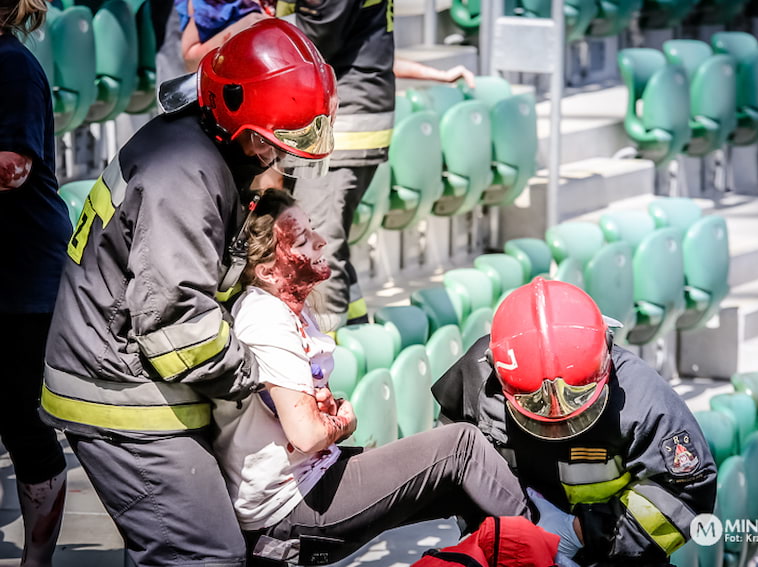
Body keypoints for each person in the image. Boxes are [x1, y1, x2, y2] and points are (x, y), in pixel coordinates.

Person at [40, 20, 337, 567]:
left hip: (129, 373)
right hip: (119, 392)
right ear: (230, 112)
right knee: (204, 554)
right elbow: (181, 327)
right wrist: (269, 380)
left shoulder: (197, 146)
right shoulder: (187, 172)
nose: (274, 158)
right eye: (267, 142)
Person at [213, 188, 531, 566]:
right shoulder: (264, 316)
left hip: (315, 477)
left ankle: (515, 553)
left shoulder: (289, 308)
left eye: (312, 230)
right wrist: (343, 422)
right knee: (461, 446)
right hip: (290, 509)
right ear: (266, 270)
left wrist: (324, 416)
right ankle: (555, 545)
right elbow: (308, 434)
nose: (321, 241)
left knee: (467, 485)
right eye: (302, 240)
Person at [177, 0, 476, 330]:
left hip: (338, 124)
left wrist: (251, 27)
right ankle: (358, 333)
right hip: (347, 117)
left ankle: (331, 350)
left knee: (315, 247)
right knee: (328, 242)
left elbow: (307, 42)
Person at [432, 278, 718, 567]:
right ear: (495, 367)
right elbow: (459, 473)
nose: (557, 420)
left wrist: (581, 533)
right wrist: (499, 539)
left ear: (606, 351)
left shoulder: (646, 401)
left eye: (577, 397)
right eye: (535, 402)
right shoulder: (475, 378)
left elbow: (686, 493)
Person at [0, 0, 71, 564]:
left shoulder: (12, 65)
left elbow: (12, 168)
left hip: (22, 280)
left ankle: (37, 560)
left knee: (24, 426)